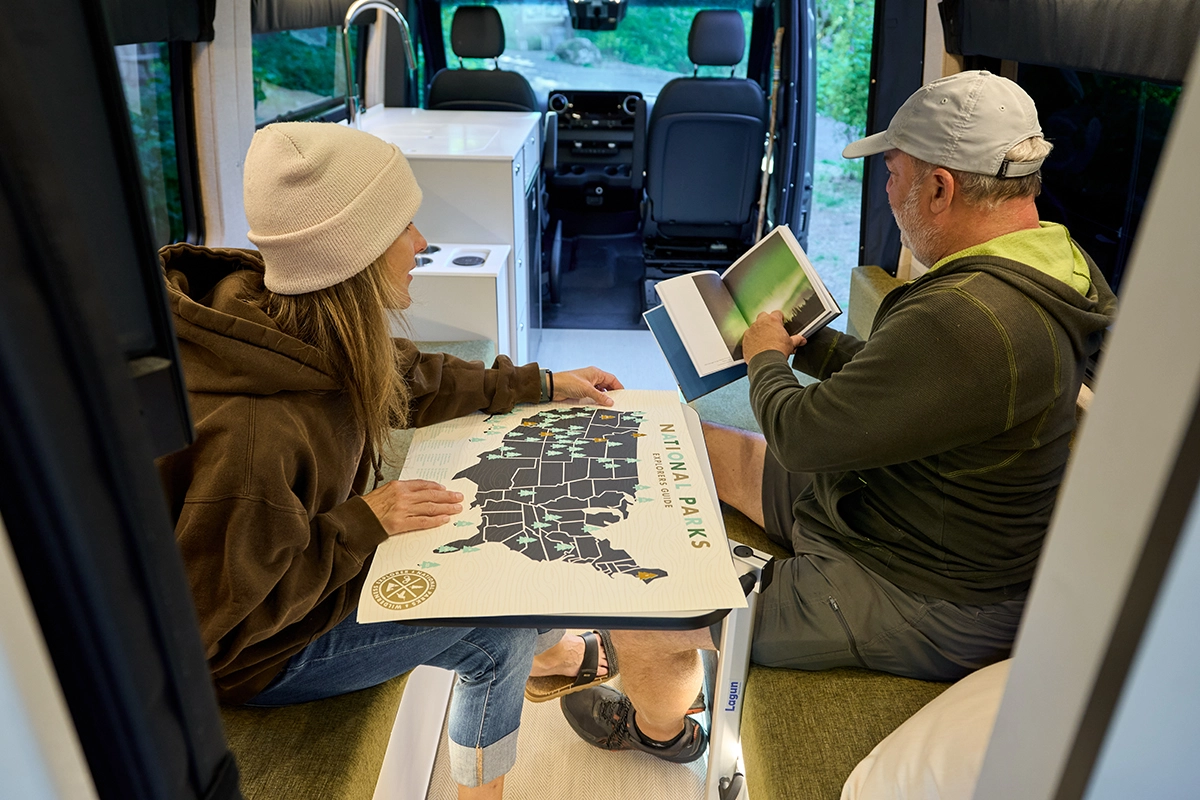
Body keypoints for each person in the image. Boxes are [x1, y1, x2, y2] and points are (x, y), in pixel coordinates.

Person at [559, 70, 1118, 763]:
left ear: (941, 188)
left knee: (642, 610)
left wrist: (764, 358)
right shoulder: (1046, 261)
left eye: (893, 173)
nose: (886, 191)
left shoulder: (972, 315)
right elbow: (915, 385)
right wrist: (813, 343)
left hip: (918, 587)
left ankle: (661, 732)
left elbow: (800, 436)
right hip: (893, 502)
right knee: (689, 441)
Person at [156, 121, 623, 799]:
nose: (423, 244)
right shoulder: (254, 437)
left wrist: (541, 385)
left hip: (318, 570)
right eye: (403, 226)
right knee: (502, 612)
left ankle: (551, 656)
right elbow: (218, 632)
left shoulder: (299, 319)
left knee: (513, 582)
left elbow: (410, 375)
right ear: (354, 251)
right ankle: (529, 691)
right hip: (266, 655)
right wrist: (360, 522)